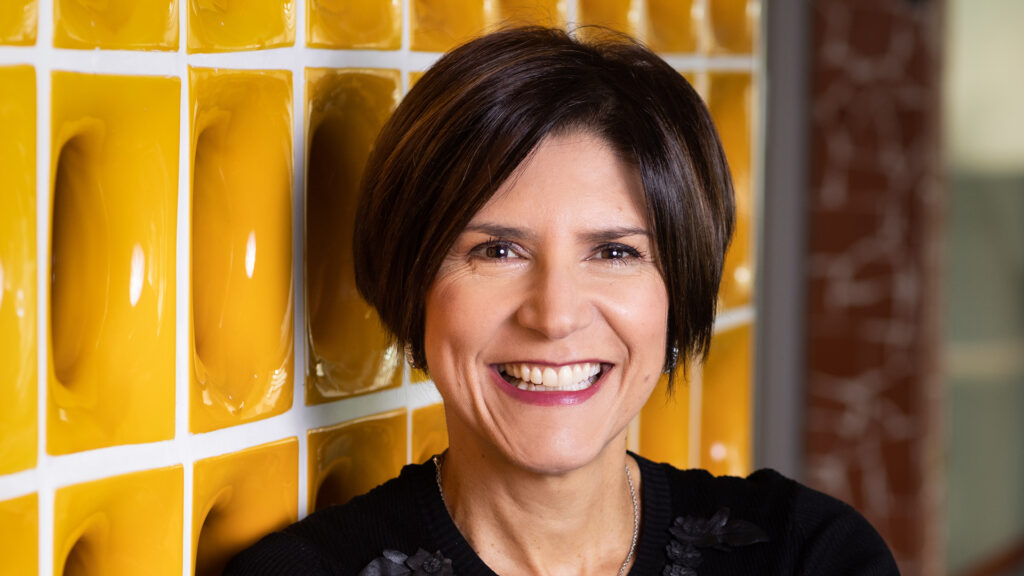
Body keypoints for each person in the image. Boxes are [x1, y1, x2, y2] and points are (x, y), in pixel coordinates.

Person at [227, 26, 899, 576]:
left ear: (679, 291)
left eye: (615, 252)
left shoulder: (808, 554)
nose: (554, 316)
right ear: (412, 279)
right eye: (497, 250)